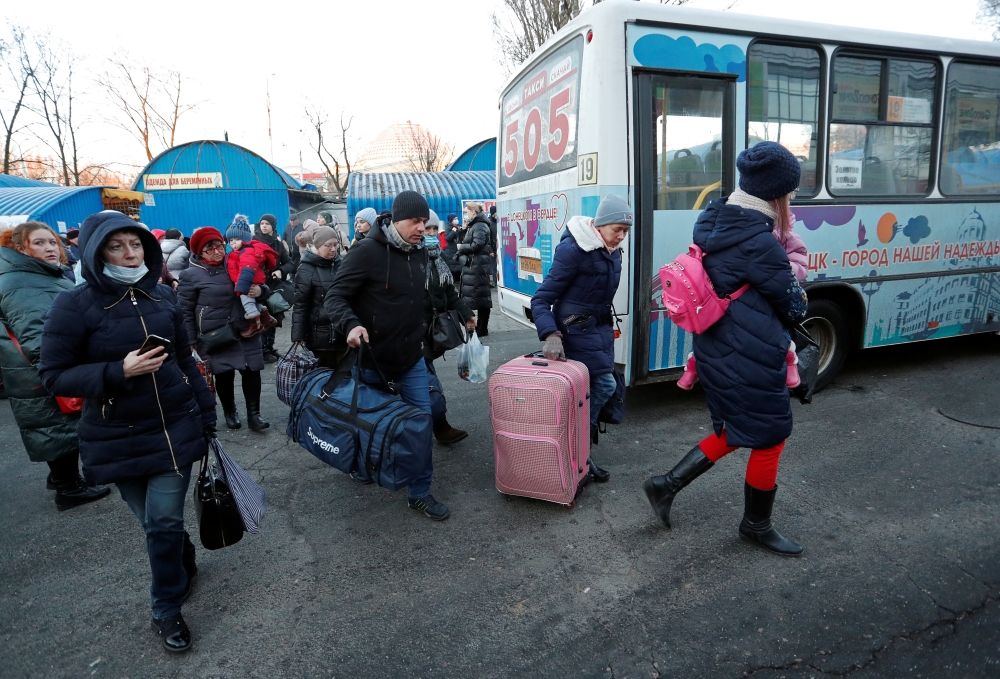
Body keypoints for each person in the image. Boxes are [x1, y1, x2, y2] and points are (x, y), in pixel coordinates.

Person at [39, 210, 217, 653]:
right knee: (154, 525)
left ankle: (165, 608)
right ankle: (182, 559)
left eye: (135, 244)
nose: (128, 253)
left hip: (173, 427)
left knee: (163, 520)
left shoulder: (162, 297)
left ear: (147, 249)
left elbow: (183, 360)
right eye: (116, 246)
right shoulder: (73, 304)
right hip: (114, 433)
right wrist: (117, 370)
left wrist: (207, 412)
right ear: (97, 252)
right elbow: (54, 376)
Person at [642, 141, 809, 557]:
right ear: (777, 193)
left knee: (735, 429)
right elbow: (795, 304)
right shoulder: (760, 241)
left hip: (718, 347)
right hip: (748, 353)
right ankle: (756, 525)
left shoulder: (716, 221)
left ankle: (665, 485)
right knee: (770, 436)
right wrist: (792, 261)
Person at [325, 190, 448, 520]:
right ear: (395, 219)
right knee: (369, 425)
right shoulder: (366, 252)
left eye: (425, 221)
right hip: (371, 361)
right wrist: (350, 325)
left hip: (410, 360)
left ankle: (419, 492)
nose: (422, 227)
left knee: (421, 424)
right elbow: (335, 297)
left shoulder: (419, 253)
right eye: (415, 221)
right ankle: (363, 464)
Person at [0, 221, 111, 510]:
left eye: (52, 242)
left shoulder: (37, 275)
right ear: (20, 247)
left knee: (56, 423)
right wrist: (59, 373)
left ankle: (62, 477)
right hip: (40, 369)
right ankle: (68, 487)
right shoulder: (23, 281)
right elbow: (36, 334)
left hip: (38, 368)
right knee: (56, 425)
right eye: (39, 243)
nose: (50, 248)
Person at [530, 195, 631, 483]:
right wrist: (550, 334)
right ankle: (576, 452)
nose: (621, 237)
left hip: (598, 333)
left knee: (592, 394)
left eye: (625, 232)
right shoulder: (574, 250)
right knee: (604, 386)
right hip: (574, 332)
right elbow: (541, 299)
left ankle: (580, 456)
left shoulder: (611, 252)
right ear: (599, 226)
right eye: (617, 230)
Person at [677, 193, 809, 391]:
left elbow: (799, 263)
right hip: (735, 294)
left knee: (775, 323)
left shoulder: (784, 236)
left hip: (762, 291)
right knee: (707, 322)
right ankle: (693, 363)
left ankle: (790, 361)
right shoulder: (742, 235)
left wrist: (781, 269)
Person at [178, 227, 270, 432]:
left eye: (220, 245)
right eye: (210, 248)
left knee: (252, 370)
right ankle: (230, 412)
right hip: (216, 333)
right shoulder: (190, 275)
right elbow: (184, 311)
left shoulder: (237, 260)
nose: (218, 251)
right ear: (199, 252)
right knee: (224, 374)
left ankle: (254, 415)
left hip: (246, 327)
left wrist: (260, 290)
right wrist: (191, 340)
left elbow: (263, 282)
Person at [422, 210, 477, 444]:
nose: (432, 234)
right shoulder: (409, 260)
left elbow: (449, 292)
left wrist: (467, 315)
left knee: (425, 382)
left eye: (436, 230)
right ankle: (438, 427)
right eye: (428, 230)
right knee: (427, 383)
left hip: (432, 329)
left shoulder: (438, 258)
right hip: (413, 333)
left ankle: (438, 428)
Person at [292, 225, 344, 368]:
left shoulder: (342, 265)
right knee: (323, 380)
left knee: (344, 381)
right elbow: (300, 304)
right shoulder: (306, 268)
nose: (333, 249)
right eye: (328, 245)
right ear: (317, 245)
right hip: (319, 336)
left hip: (343, 333)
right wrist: (298, 334)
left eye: (335, 244)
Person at [225, 214, 278, 338]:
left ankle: (255, 324)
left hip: (247, 283)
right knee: (252, 302)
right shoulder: (237, 252)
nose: (233, 243)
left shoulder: (246, 252)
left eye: (236, 240)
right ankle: (266, 317)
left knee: (247, 302)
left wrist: (241, 287)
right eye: (231, 240)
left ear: (245, 239)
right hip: (247, 282)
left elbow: (247, 270)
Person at [254, 214, 295, 363]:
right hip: (258, 287)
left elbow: (290, 263)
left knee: (274, 319)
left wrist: (281, 271)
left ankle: (269, 348)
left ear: (273, 226)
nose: (264, 226)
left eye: (267, 223)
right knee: (262, 319)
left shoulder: (278, 244)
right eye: (262, 223)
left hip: (274, 287)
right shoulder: (254, 242)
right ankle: (262, 350)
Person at [456, 202, 493, 337]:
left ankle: (480, 327)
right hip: (476, 265)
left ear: (473, 211)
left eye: (467, 212)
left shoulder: (480, 225)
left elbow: (477, 244)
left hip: (477, 266)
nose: (466, 214)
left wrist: (461, 248)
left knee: (479, 297)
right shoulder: (476, 224)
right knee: (479, 296)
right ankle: (480, 327)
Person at [442, 213, 464, 279]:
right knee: (453, 269)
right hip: (451, 251)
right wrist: (453, 231)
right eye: (454, 219)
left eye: (457, 218)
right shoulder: (448, 227)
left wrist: (463, 229)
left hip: (459, 250)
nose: (456, 220)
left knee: (460, 268)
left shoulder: (459, 227)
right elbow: (448, 239)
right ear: (451, 220)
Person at [488, 205, 499, 287]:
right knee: (494, 267)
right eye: (495, 213)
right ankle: (496, 283)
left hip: (499, 247)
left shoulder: (498, 221)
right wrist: (490, 250)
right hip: (493, 248)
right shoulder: (489, 223)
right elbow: (488, 238)